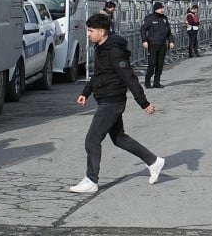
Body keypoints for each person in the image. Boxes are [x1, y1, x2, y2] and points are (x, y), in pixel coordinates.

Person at [69, 13, 164, 193]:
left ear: (102, 31)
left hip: (112, 101)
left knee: (92, 140)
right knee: (119, 138)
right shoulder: (101, 47)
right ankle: (154, 161)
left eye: (90, 31)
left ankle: (91, 180)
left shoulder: (114, 51)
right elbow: (99, 74)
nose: (88, 34)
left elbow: (129, 77)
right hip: (106, 98)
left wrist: (143, 103)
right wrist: (86, 92)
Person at [140, 1, 174, 88]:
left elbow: (169, 32)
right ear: (155, 9)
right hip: (153, 44)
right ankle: (147, 82)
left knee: (160, 64)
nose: (162, 10)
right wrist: (144, 40)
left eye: (162, 8)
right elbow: (143, 29)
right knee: (152, 64)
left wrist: (171, 41)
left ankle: (156, 82)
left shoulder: (164, 18)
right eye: (160, 8)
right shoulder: (150, 18)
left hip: (162, 44)